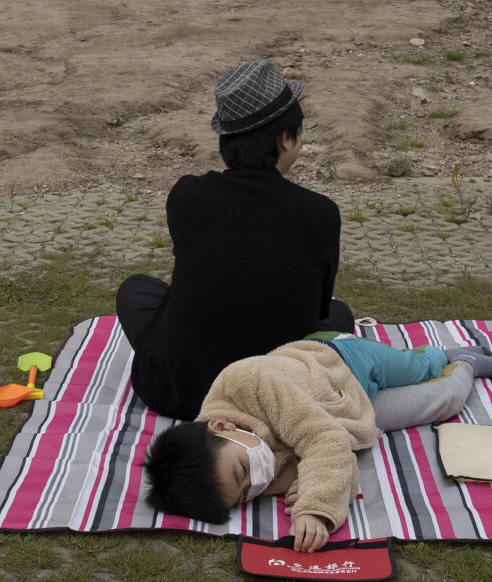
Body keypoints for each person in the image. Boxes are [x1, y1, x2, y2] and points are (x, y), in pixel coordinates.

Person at [116, 60, 352, 421]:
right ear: (285, 138)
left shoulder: (186, 196)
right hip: (273, 392)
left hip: (179, 391)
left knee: (135, 289)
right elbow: (317, 312)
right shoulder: (320, 213)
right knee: (340, 315)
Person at [143, 335, 492, 550]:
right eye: (245, 494)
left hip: (343, 363)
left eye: (243, 470)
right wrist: (306, 475)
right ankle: (470, 366)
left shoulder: (249, 380)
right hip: (348, 412)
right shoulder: (239, 465)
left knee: (416, 367)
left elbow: (324, 442)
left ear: (222, 426)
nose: (257, 481)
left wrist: (316, 506)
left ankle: (446, 353)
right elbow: (330, 457)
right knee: (440, 402)